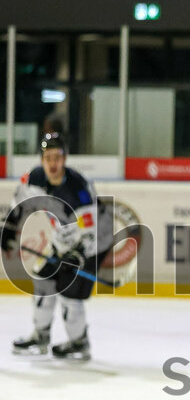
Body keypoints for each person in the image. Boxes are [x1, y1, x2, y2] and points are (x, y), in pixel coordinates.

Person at [2, 133, 112, 361]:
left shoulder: (78, 189)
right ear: (41, 159)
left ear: (65, 159)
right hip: (63, 239)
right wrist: (8, 229)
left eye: (57, 158)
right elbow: (18, 205)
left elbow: (90, 234)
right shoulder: (33, 178)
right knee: (44, 281)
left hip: (94, 243)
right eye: (48, 158)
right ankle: (40, 336)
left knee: (69, 292)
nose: (53, 164)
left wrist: (77, 257)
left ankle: (79, 342)